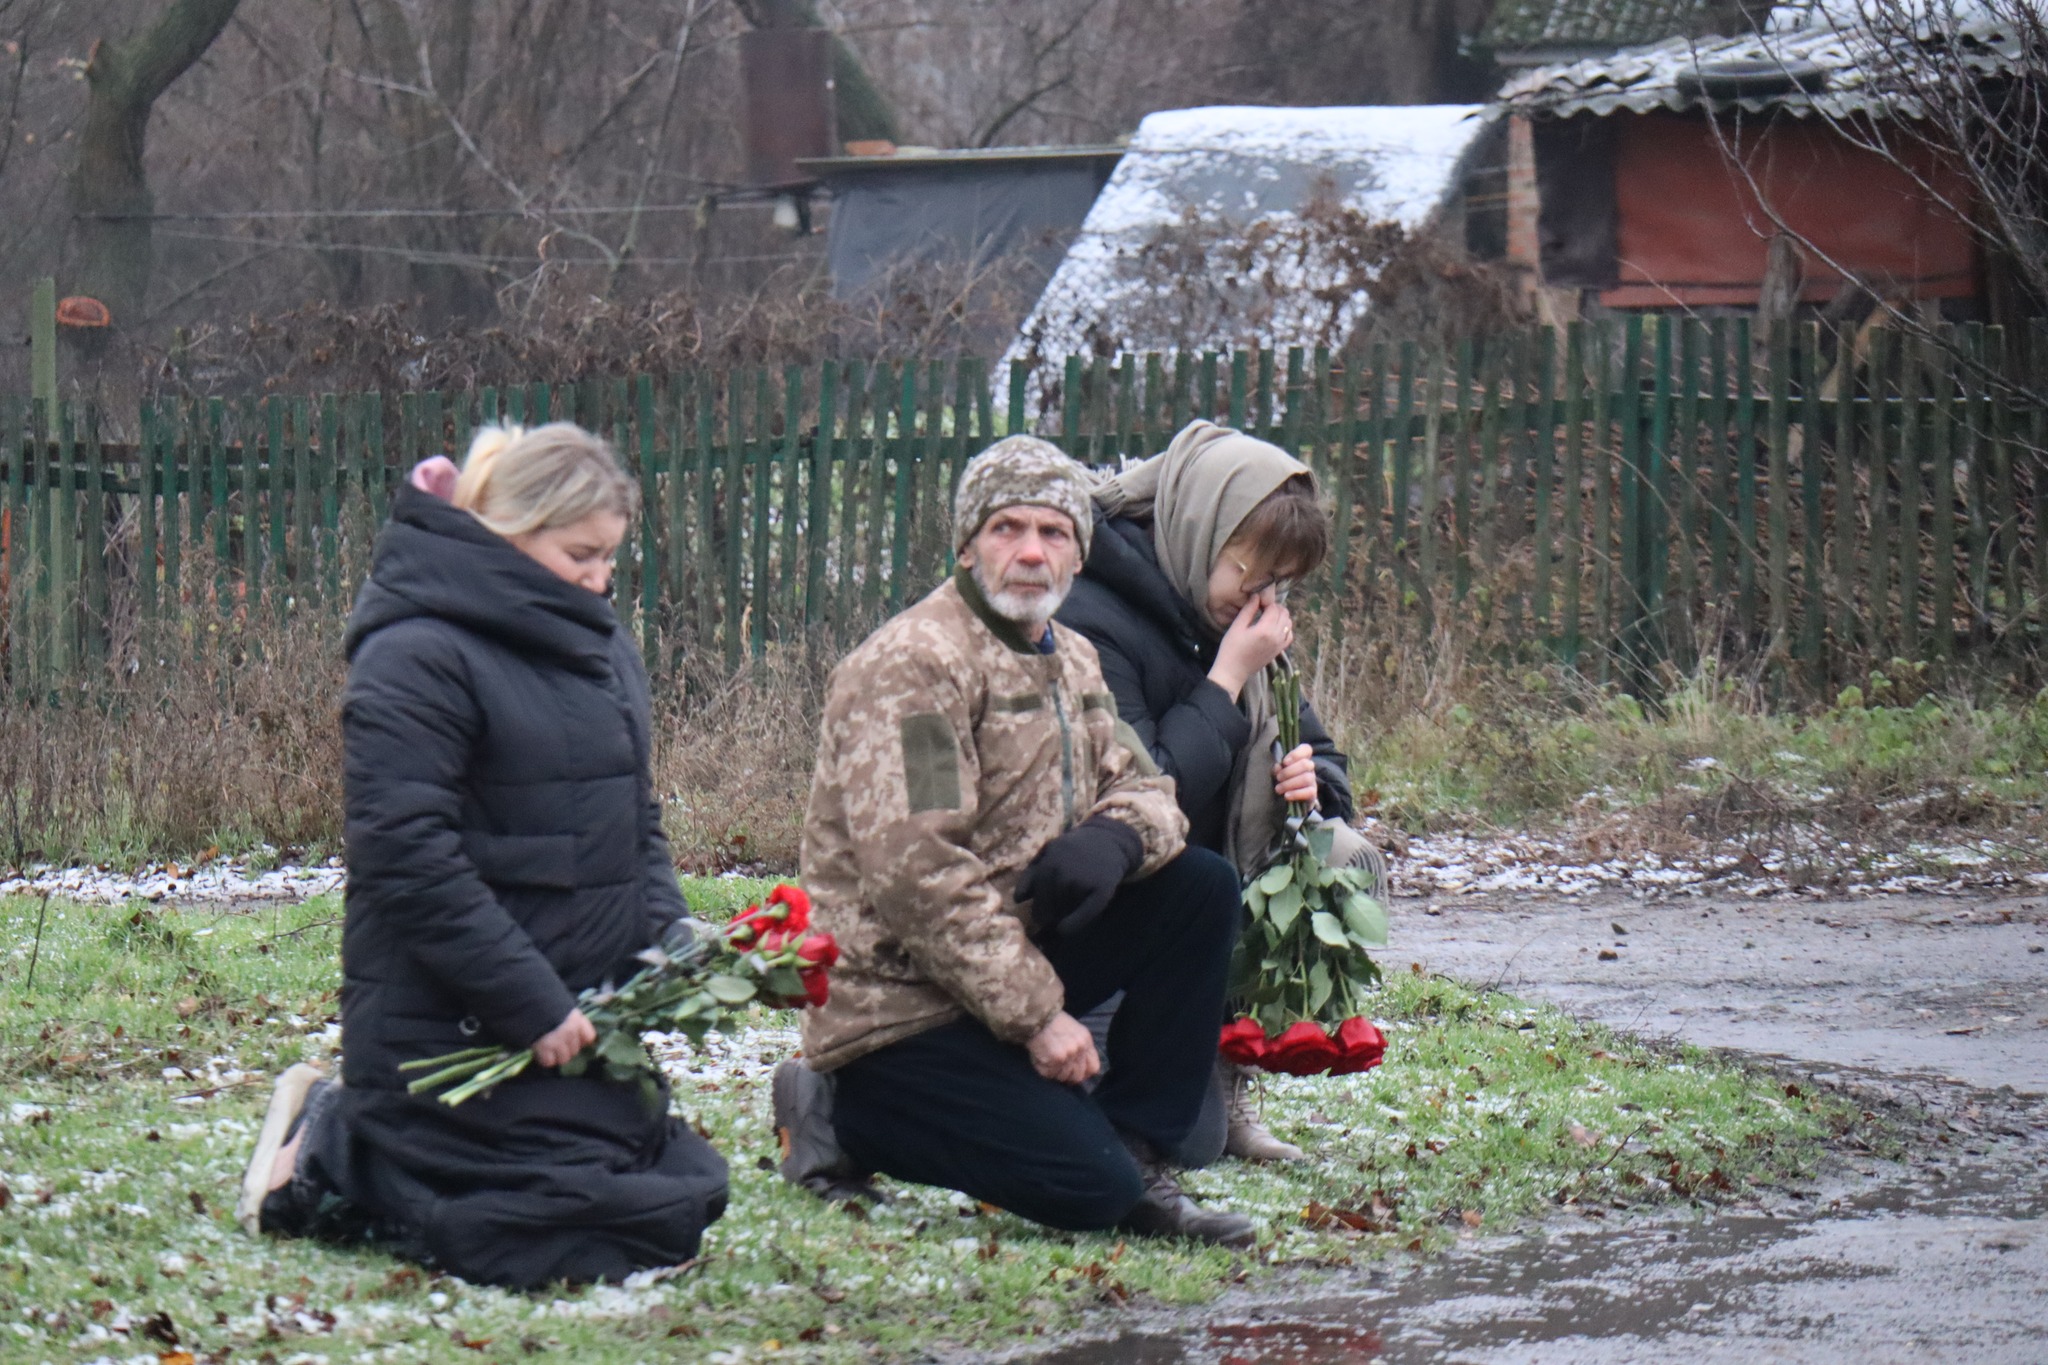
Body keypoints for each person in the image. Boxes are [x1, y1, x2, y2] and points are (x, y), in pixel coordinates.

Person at [235, 422, 728, 1289]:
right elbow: (406, 859)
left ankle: (363, 1142)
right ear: (509, 527)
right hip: (447, 1036)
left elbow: (633, 819)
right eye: (582, 554)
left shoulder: (605, 646)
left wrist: (672, 935)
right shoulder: (414, 653)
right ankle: (330, 1140)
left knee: (678, 1200)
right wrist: (530, 1004)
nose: (600, 580)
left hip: (576, 1029)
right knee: (542, 1241)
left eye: (610, 558)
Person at [770, 436, 1256, 1246]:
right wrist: (1037, 1021)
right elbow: (919, 875)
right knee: (1084, 1189)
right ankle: (839, 1109)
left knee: (1198, 886)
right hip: (904, 1000)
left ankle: (1140, 1152)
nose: (1031, 550)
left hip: (1005, 960)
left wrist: (1116, 839)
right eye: (1006, 528)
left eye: (1053, 531)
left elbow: (1151, 790)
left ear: (1078, 552)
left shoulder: (1072, 658)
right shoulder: (913, 668)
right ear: (968, 543)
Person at [1057, 419, 1384, 1165]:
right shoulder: (1089, 613)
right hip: (1103, 919)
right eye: (1249, 570)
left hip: (1195, 914)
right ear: (1201, 532)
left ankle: (1227, 1067)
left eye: (1280, 581)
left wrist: (1314, 785)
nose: (1261, 595)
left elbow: (1323, 752)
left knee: (1351, 852)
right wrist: (1227, 677)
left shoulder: (1234, 618)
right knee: (1146, 1140)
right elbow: (1142, 793)